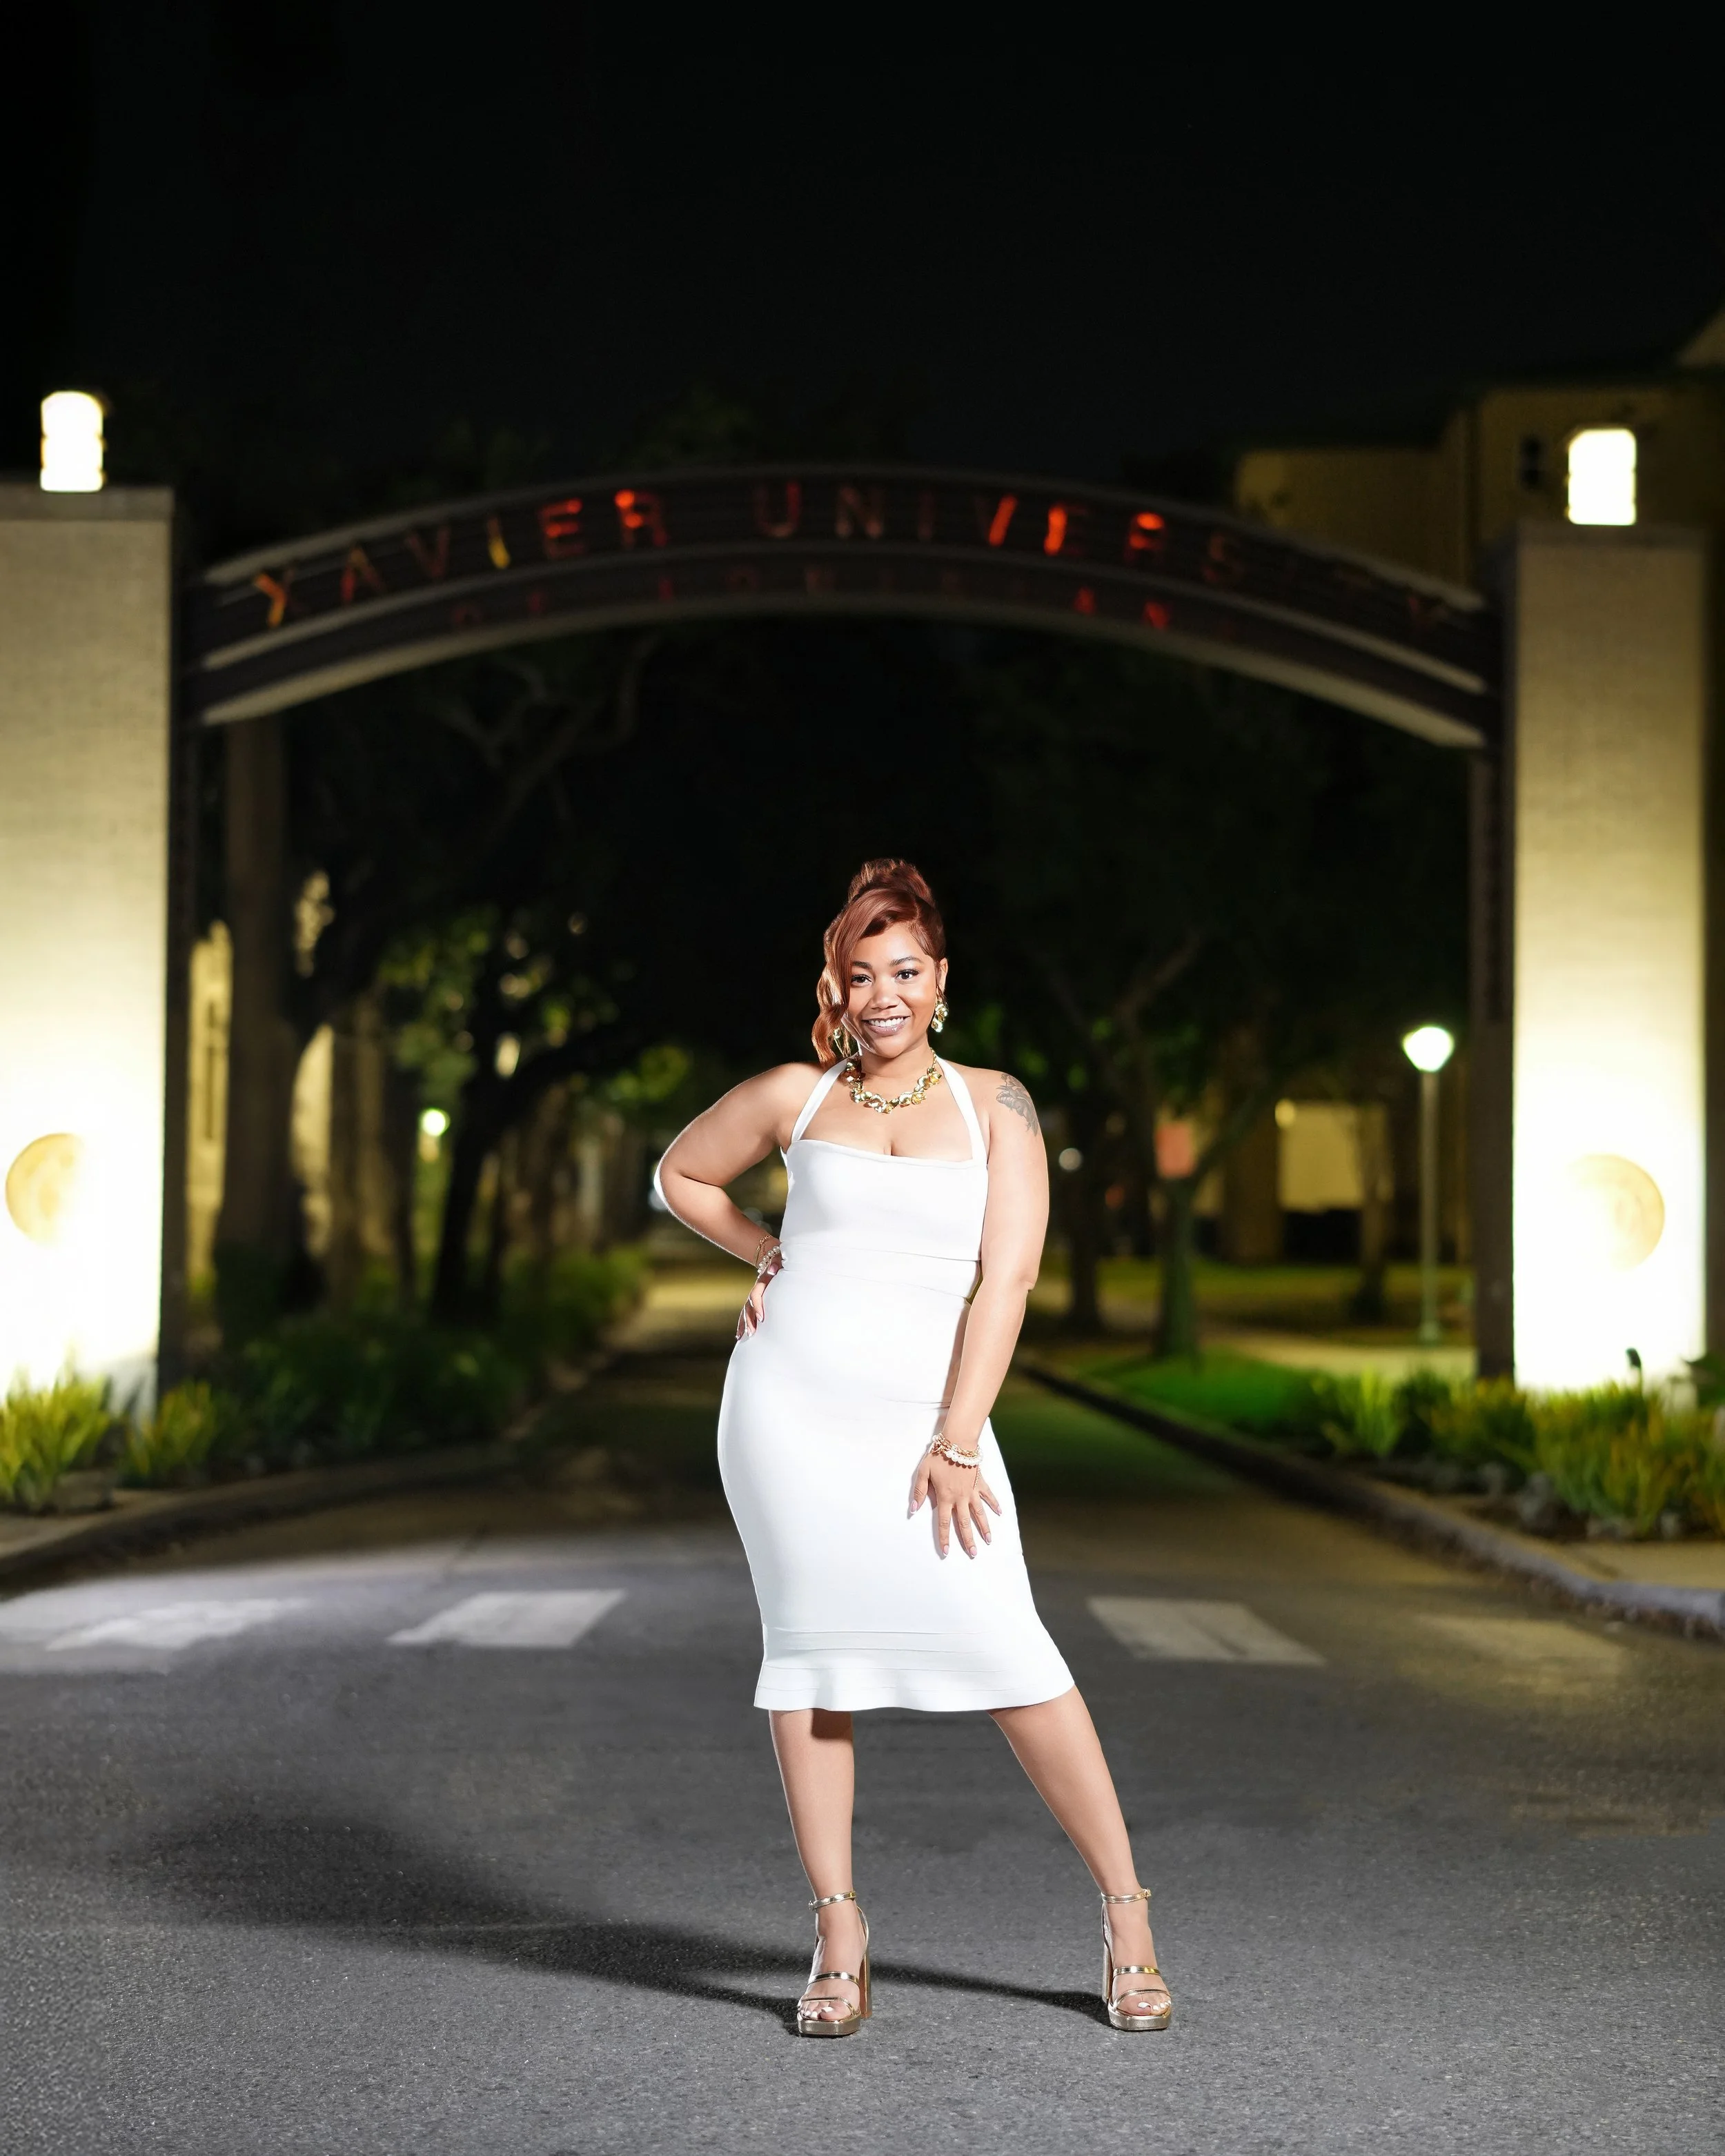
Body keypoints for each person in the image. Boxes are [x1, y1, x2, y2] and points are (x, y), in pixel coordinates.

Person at [656, 860, 1172, 2037]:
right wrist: (765, 1254)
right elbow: (679, 1173)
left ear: (940, 980)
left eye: (903, 971)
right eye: (858, 972)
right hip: (789, 1416)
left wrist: (956, 1437)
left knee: (1012, 1652)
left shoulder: (1000, 1105)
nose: (880, 993)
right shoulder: (797, 1094)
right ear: (833, 986)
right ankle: (839, 1937)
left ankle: (1127, 1915)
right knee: (810, 1668)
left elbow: (1012, 1277)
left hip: (932, 1422)